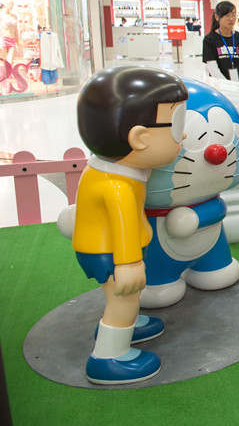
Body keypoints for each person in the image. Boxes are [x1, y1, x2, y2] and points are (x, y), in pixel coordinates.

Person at [72, 66, 188, 384]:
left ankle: (126, 325)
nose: (185, 136)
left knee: (124, 300)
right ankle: (108, 356)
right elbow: (122, 226)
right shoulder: (117, 186)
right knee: (125, 297)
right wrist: (129, 263)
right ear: (139, 138)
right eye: (177, 126)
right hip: (113, 254)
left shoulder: (113, 171)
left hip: (109, 249)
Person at [203, 1, 239, 82]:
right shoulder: (209, 39)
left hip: (238, 86)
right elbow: (212, 68)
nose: (231, 19)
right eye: (227, 15)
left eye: (233, 15)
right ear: (217, 17)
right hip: (218, 86)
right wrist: (227, 85)